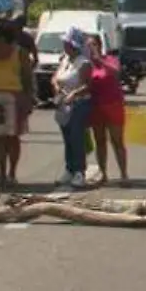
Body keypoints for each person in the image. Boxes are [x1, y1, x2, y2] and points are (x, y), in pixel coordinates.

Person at [50, 27, 94, 189]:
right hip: (63, 103)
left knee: (76, 137)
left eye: (67, 43)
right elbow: (55, 77)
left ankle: (79, 171)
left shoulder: (84, 63)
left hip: (79, 104)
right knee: (67, 138)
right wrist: (55, 85)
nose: (64, 46)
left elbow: (88, 85)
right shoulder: (65, 60)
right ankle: (69, 168)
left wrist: (73, 94)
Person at [0, 24, 27, 187]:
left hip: (15, 98)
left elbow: (27, 77)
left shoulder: (20, 54)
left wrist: (28, 100)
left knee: (13, 137)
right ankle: (1, 173)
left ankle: (12, 173)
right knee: (0, 138)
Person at [85, 34, 129, 185]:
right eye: (88, 46)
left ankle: (124, 174)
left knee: (117, 141)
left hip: (113, 104)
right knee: (100, 141)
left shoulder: (110, 59)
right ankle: (103, 174)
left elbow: (116, 73)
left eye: (93, 45)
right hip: (96, 106)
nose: (91, 49)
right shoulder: (87, 64)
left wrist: (100, 61)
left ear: (99, 45)